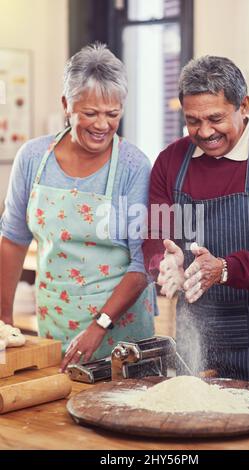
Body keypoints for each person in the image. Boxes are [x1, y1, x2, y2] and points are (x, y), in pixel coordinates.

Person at [143, 55, 249, 391]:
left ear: (243, 105)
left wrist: (225, 269)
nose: (205, 132)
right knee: (195, 425)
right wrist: (163, 261)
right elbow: (156, 235)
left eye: (215, 118)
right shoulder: (170, 161)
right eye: (192, 121)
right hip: (194, 330)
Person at [0, 43, 157, 371]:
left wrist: (100, 325)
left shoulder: (134, 166)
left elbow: (143, 264)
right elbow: (13, 240)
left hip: (120, 334)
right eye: (90, 113)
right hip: (55, 324)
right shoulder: (32, 158)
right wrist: (3, 317)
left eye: (112, 114)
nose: (102, 125)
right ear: (65, 105)